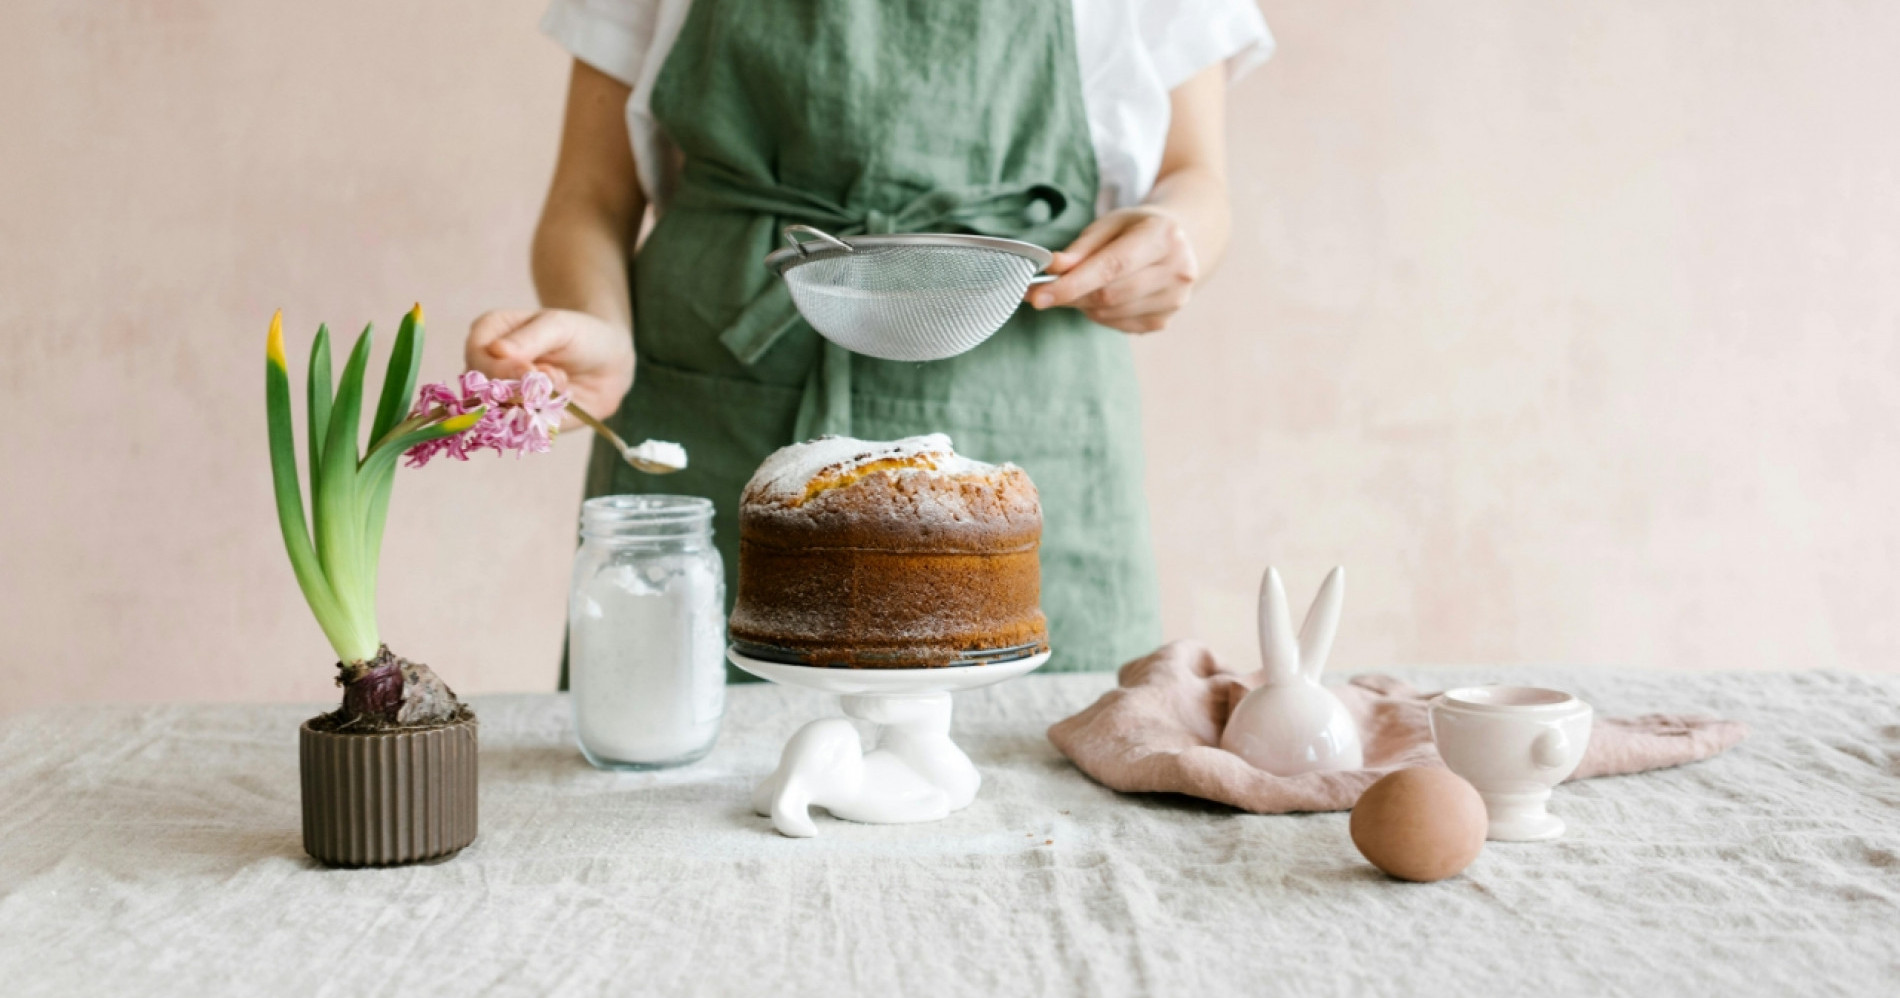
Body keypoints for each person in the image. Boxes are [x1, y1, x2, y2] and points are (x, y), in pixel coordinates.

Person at [468, 0, 1272, 680]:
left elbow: (1197, 176)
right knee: (680, 788)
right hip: (716, 408)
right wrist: (598, 324)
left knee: (1042, 782)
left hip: (1029, 399)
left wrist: (1175, 236)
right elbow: (589, 191)